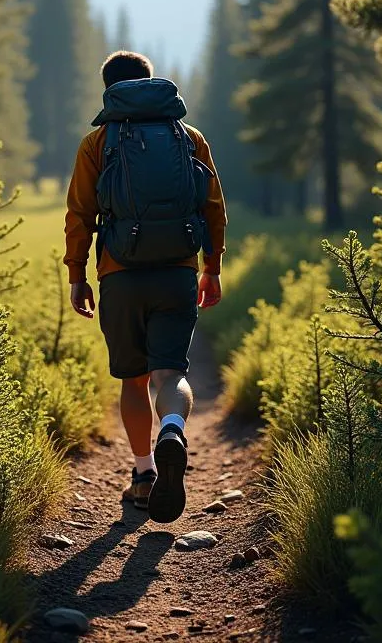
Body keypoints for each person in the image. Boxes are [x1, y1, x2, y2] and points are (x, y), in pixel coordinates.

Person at [64, 51, 226, 524]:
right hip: (177, 271)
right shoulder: (188, 137)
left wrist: (77, 275)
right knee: (169, 372)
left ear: (109, 90)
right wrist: (210, 268)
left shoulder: (97, 142)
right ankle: (172, 429)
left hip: (120, 276)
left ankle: (143, 474)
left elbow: (80, 215)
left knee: (133, 381)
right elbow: (213, 207)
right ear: (152, 84)